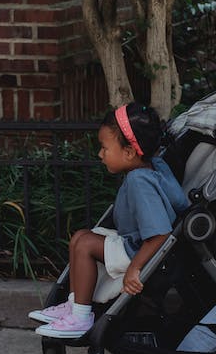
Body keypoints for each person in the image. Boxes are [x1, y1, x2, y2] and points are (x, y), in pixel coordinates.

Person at [29, 103, 187, 339]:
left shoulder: (139, 181)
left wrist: (135, 268)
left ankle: (81, 317)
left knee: (84, 245)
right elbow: (177, 205)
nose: (100, 154)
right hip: (136, 242)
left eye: (104, 148)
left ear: (129, 152)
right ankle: (75, 304)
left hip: (142, 251)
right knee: (80, 236)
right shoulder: (156, 166)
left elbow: (160, 234)